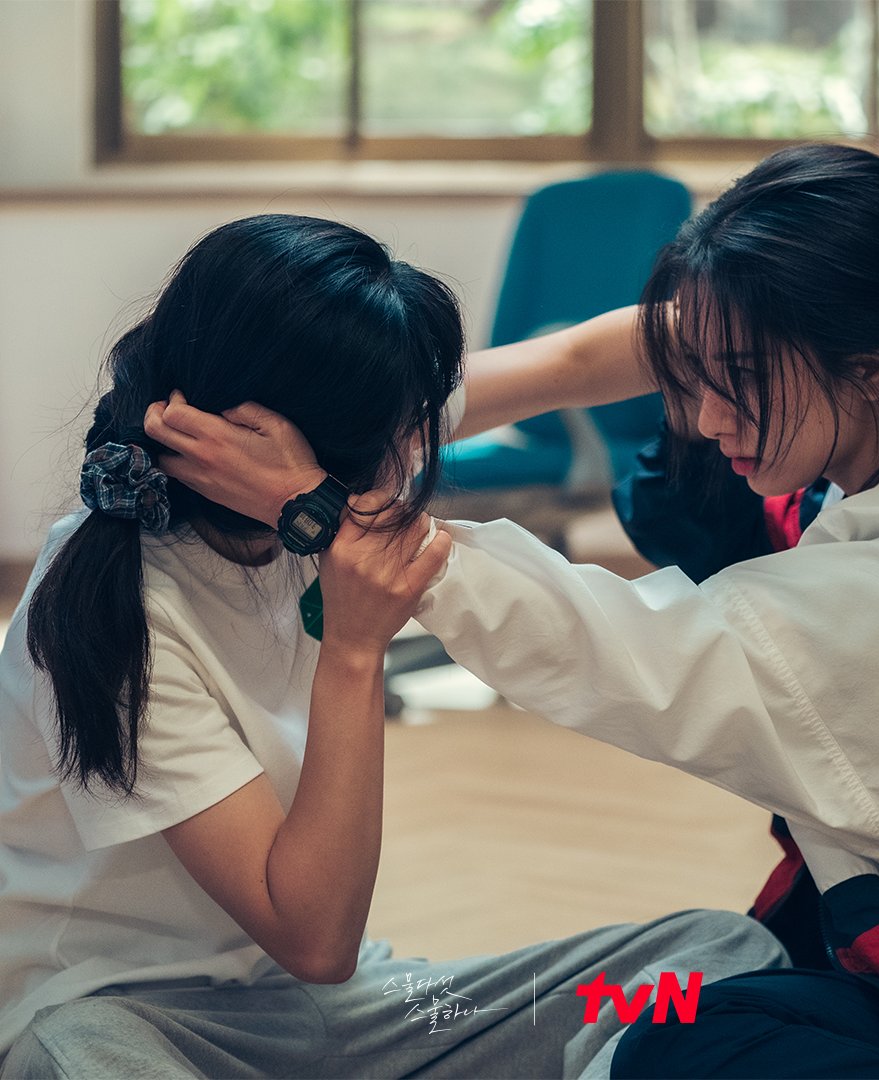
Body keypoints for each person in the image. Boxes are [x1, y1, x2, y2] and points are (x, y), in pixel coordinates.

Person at [146, 144, 879, 1078]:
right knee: (703, 991)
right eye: (694, 372)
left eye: (740, 377)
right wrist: (355, 443)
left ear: (871, 367)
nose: (708, 417)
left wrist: (321, 511)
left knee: (687, 1017)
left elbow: (600, 646)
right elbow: (582, 356)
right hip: (176, 1016)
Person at [0, 214, 787, 1079]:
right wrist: (353, 648)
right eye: (405, 434)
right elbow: (315, 936)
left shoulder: (327, 465)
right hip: (119, 1018)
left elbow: (574, 362)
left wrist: (782, 316)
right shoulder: (122, 615)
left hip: (354, 1017)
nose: (419, 448)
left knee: (716, 960)